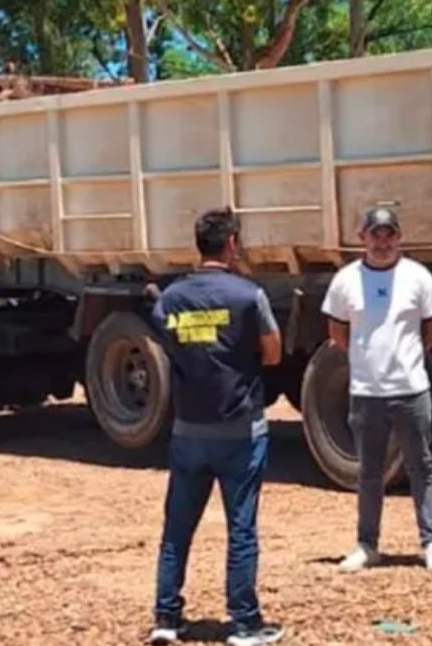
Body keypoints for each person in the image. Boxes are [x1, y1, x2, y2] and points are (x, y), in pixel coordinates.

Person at [148, 207, 285, 646]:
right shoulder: (248, 295)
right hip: (239, 431)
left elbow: (167, 344)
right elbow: (274, 353)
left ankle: (166, 618)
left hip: (188, 430)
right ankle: (244, 622)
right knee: (240, 529)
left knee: (177, 528)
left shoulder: (170, 298)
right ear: (231, 245)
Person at [321, 205, 432, 573]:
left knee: (421, 466)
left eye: (388, 234)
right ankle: (367, 544)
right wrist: (364, 359)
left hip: (411, 390)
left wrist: (413, 354)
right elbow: (336, 330)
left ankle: (431, 543)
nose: (382, 242)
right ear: (362, 237)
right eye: (375, 234)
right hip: (366, 392)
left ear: (399, 237)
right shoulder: (346, 280)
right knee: (369, 471)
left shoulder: (418, 277)